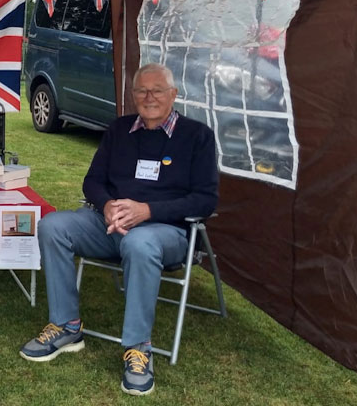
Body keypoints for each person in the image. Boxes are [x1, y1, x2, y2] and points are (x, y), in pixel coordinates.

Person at [19, 63, 218, 396]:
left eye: (157, 90)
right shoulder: (119, 130)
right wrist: (108, 204)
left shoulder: (197, 136)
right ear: (133, 94)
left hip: (164, 231)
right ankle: (66, 326)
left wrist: (148, 210)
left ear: (173, 94)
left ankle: (138, 348)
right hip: (109, 224)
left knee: (140, 243)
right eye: (141, 90)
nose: (149, 97)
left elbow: (205, 200)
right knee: (53, 226)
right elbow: (93, 181)